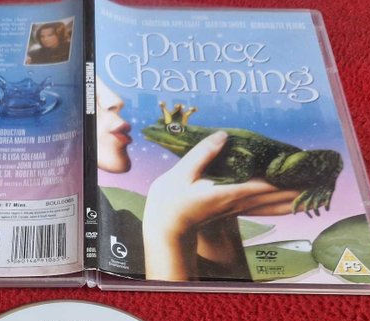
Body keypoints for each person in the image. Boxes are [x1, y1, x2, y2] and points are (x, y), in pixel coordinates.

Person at [96, 76, 299, 281]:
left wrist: (211, 228)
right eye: (89, 84)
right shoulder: (104, 235)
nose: (115, 100)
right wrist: (168, 227)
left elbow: (229, 295)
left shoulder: (117, 227)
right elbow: (163, 304)